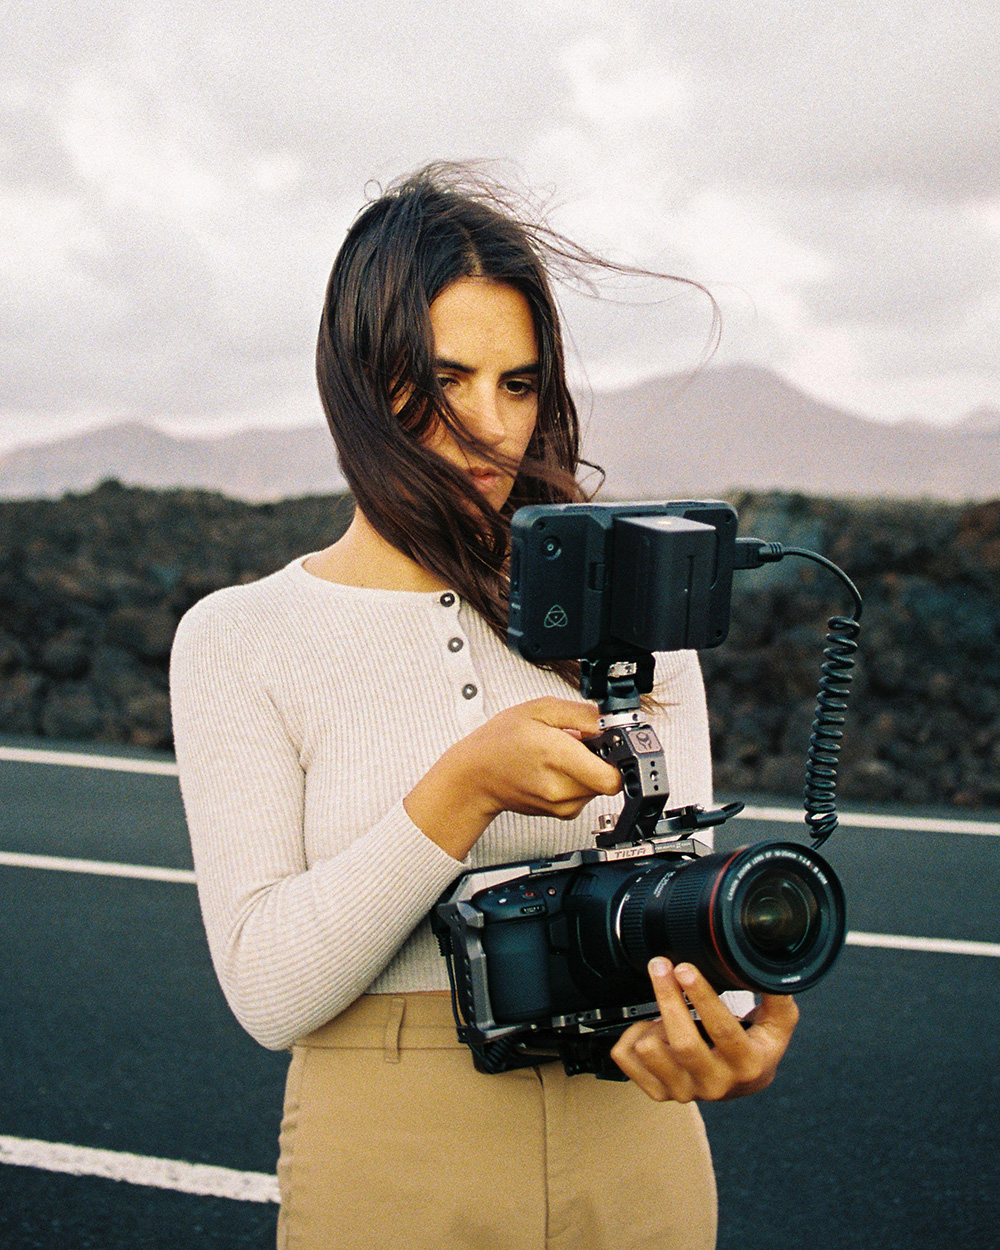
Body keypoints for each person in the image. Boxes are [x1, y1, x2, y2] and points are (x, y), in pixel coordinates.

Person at [170, 164, 799, 1250]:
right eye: (446, 377)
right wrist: (454, 793)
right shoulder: (242, 635)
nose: (489, 427)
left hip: (636, 1144)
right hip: (392, 1152)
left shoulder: (633, 617)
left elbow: (677, 907)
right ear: (358, 381)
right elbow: (269, 989)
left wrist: (731, 1022)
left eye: (518, 384)